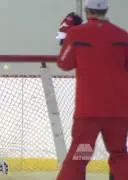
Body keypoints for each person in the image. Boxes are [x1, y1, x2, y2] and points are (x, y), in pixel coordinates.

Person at [56, 0, 128, 180]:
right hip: (118, 111)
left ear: (87, 10)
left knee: (80, 156)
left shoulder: (76, 34)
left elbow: (64, 64)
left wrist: (65, 38)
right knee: (119, 153)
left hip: (88, 113)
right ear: (106, 10)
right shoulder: (123, 36)